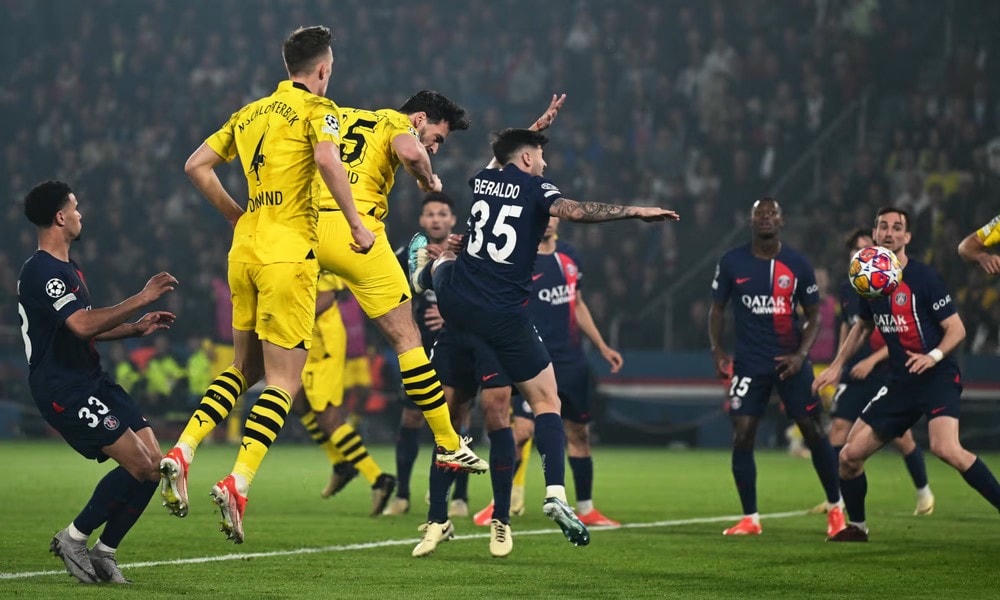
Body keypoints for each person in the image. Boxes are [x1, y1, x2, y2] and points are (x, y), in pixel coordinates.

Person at [417, 124, 679, 548]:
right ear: (526, 160)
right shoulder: (537, 189)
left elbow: (497, 159)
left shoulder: (483, 180)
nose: (545, 163)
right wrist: (635, 211)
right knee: (546, 401)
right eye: (540, 155)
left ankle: (428, 271)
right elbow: (576, 211)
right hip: (501, 315)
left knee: (446, 256)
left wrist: (529, 131)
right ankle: (555, 491)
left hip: (457, 303)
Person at [159, 25, 373, 544]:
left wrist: (237, 215)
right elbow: (326, 159)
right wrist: (357, 223)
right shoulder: (319, 110)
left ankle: (181, 451)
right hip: (286, 254)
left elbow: (197, 166)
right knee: (284, 381)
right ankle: (238, 482)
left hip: (245, 249)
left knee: (243, 368)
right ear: (322, 69)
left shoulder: (251, 112)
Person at [312, 90, 487, 473]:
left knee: (262, 364)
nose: (435, 148)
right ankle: (448, 441)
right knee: (408, 338)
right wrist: (429, 180)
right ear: (420, 118)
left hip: (306, 232)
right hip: (355, 232)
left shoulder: (336, 115)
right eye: (437, 138)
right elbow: (411, 153)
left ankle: (202, 454)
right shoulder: (394, 121)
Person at [18, 180, 178, 583]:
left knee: (156, 466)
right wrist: (141, 298)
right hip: (63, 388)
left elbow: (84, 329)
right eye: (75, 207)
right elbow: (79, 323)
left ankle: (105, 551)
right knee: (141, 466)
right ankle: (74, 537)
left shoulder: (68, 269)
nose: (79, 213)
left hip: (92, 378)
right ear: (59, 217)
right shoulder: (42, 271)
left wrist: (134, 329)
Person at [814, 207, 1000, 542]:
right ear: (875, 234)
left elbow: (957, 330)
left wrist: (932, 357)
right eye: (883, 226)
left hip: (937, 375)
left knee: (946, 448)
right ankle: (857, 527)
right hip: (901, 381)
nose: (889, 232)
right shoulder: (869, 279)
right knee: (849, 457)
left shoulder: (924, 278)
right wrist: (837, 365)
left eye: (897, 228)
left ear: (907, 237)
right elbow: (862, 327)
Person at [473, 216, 625, 528]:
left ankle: (586, 508)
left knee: (579, 434)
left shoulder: (571, 257)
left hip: (572, 362)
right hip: (535, 362)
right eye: (542, 215)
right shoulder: (520, 259)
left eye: (553, 215)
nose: (548, 221)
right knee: (522, 431)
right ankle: (497, 503)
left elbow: (578, 304)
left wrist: (601, 346)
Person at [709, 197, 844, 537]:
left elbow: (814, 316)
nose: (765, 218)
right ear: (750, 220)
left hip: (790, 361)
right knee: (742, 436)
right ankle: (750, 518)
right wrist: (718, 350)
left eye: (772, 214)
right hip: (749, 362)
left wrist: (800, 355)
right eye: (759, 213)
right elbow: (717, 309)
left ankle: (836, 508)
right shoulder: (731, 262)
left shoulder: (797, 263)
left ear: (781, 221)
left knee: (813, 432)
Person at [818, 228, 933, 516]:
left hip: (885, 371)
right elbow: (850, 327)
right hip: (854, 372)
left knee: (901, 438)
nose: (859, 253)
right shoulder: (848, 289)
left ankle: (924, 493)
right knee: (838, 432)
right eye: (854, 249)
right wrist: (838, 364)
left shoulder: (890, 282)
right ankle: (837, 500)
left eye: (864, 247)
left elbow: (897, 333)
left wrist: (872, 360)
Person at [383, 192, 467, 517]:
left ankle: (459, 496)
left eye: (442, 213)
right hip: (418, 348)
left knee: (457, 416)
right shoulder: (406, 253)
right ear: (422, 220)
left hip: (458, 342)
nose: (436, 219)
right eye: (430, 214)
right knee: (412, 417)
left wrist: (451, 313)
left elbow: (480, 295)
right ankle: (402, 495)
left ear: (452, 219)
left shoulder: (466, 252)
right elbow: (388, 291)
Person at [292, 270, 395, 516]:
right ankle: (341, 465)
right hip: (307, 341)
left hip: (325, 344)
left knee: (328, 417)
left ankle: (379, 479)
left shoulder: (316, 246)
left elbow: (327, 296)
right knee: (298, 402)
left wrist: (288, 314)